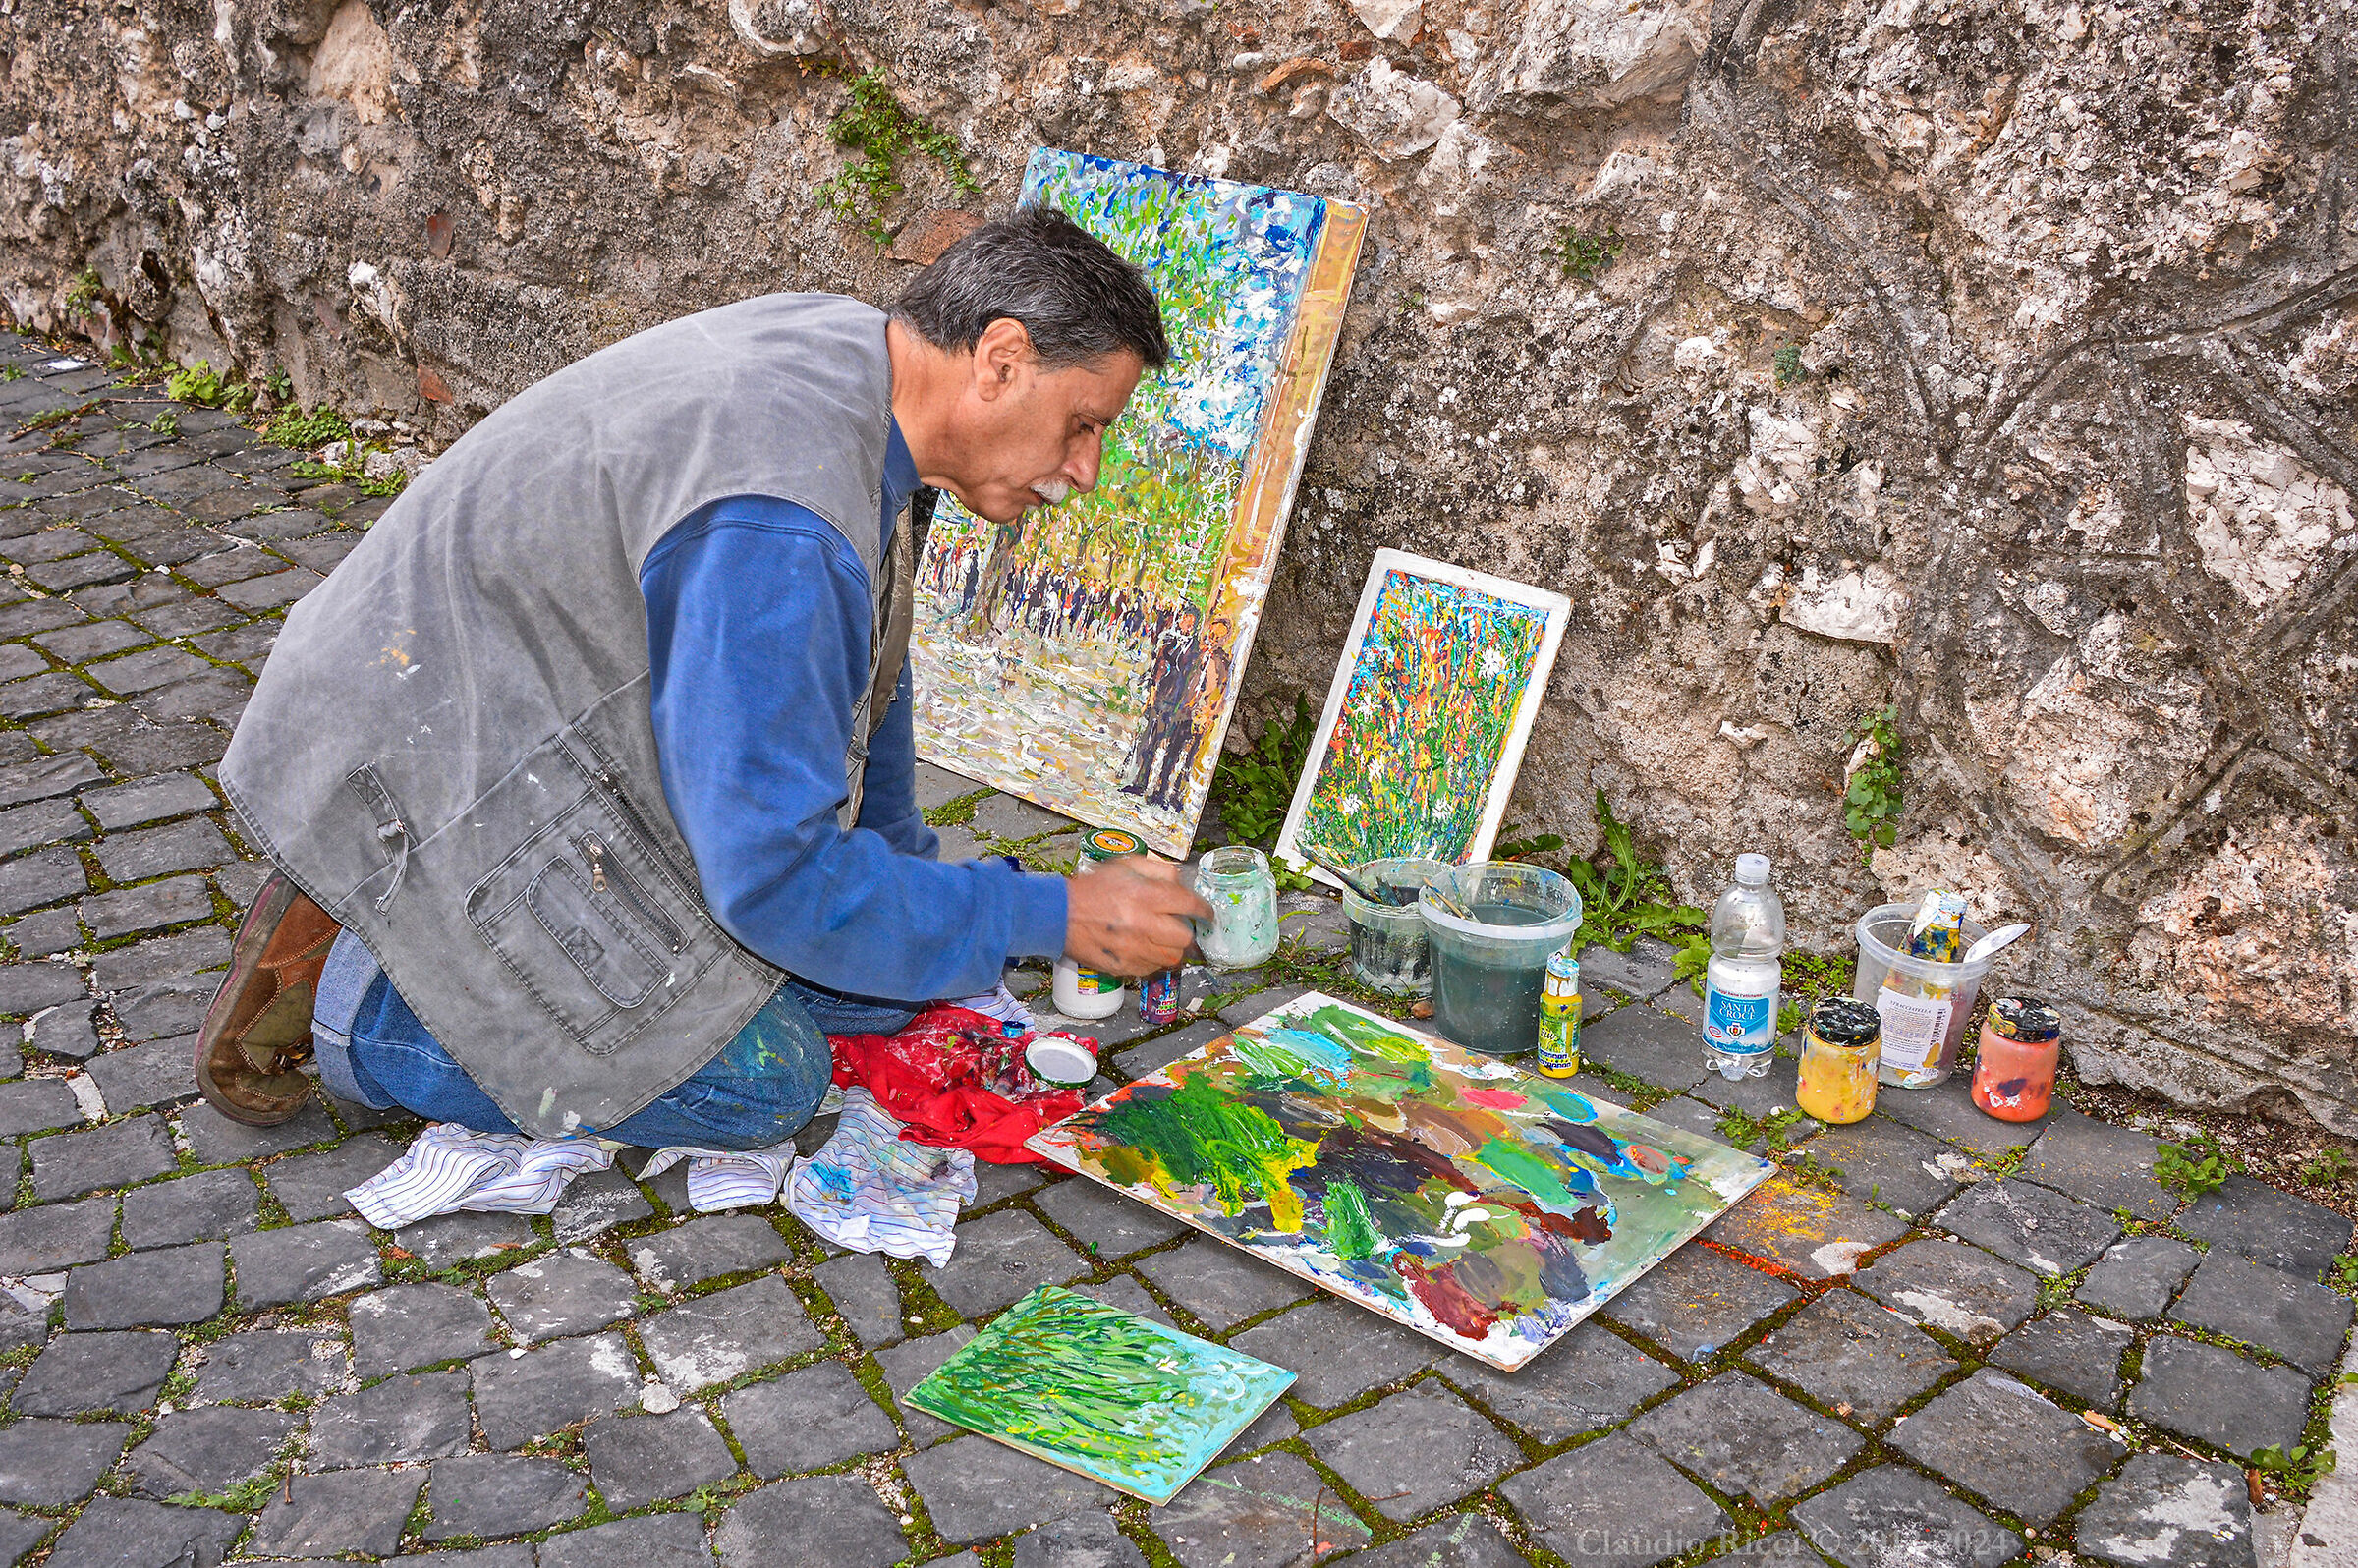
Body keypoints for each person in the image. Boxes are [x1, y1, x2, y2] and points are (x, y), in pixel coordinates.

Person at [195, 207, 1210, 1147]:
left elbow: (871, 681)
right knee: (764, 1084)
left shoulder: (867, 369)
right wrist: (1053, 916)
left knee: (894, 981)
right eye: (1086, 424)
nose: (1085, 469)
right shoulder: (780, 514)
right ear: (1000, 359)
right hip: (439, 762)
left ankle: (392, 937)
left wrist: (925, 885)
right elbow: (772, 880)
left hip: (536, 709)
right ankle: (362, 994)